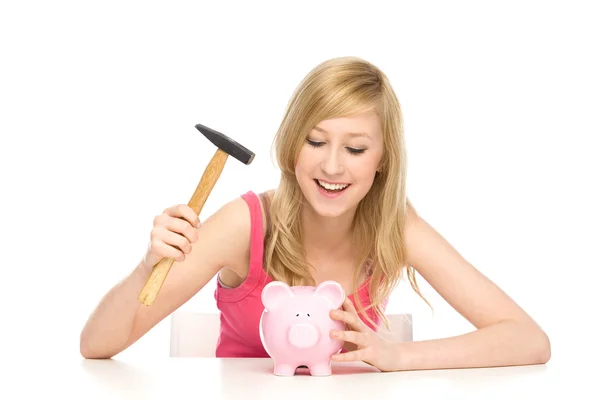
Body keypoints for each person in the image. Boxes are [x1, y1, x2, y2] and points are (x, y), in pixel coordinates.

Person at [79, 56, 551, 372]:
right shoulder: (245, 224)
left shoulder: (396, 226)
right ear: (292, 142)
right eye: (316, 141)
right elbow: (95, 346)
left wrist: (397, 356)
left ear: (383, 158)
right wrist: (148, 265)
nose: (331, 166)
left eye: (356, 148)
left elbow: (529, 340)